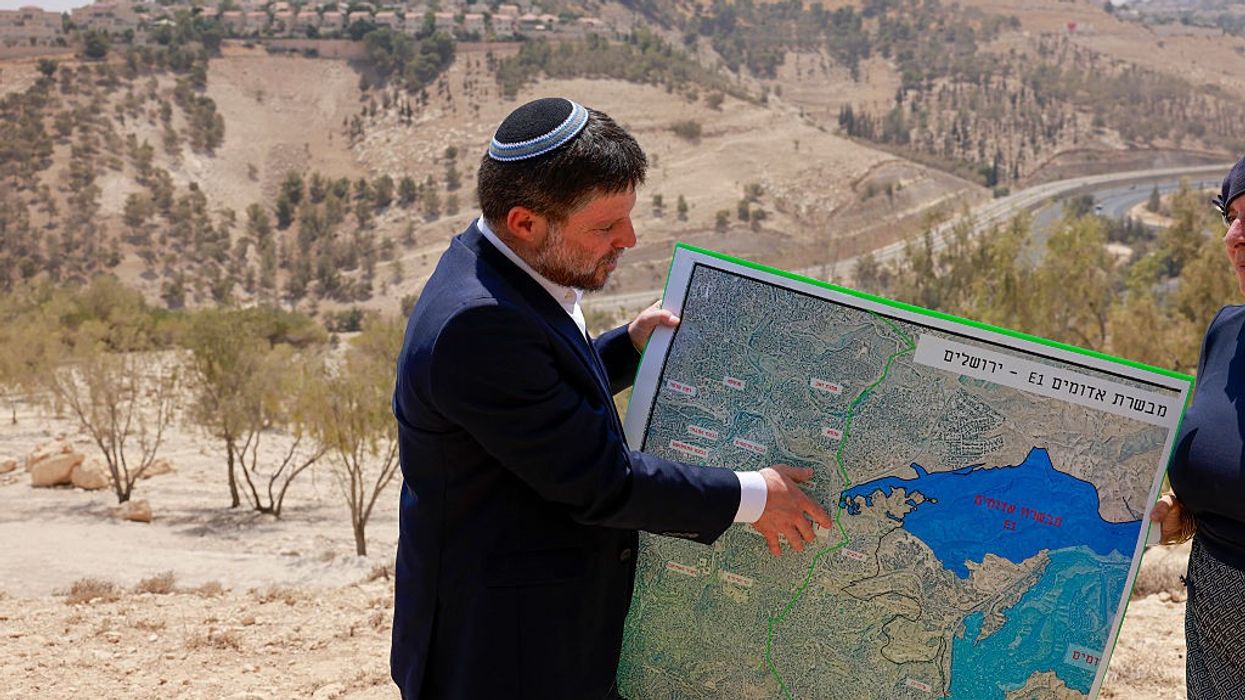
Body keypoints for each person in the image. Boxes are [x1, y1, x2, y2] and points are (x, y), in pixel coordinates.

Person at [390, 97, 832, 699]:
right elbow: (600, 482)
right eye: (604, 226)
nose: (628, 238)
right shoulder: (477, 324)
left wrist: (627, 345)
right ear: (525, 222)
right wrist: (755, 496)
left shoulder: (501, 273)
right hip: (503, 652)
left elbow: (533, 400)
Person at [1150, 155, 1245, 698]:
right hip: (1214, 615)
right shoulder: (1226, 333)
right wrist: (1180, 516)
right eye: (1229, 215)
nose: (1234, 236)